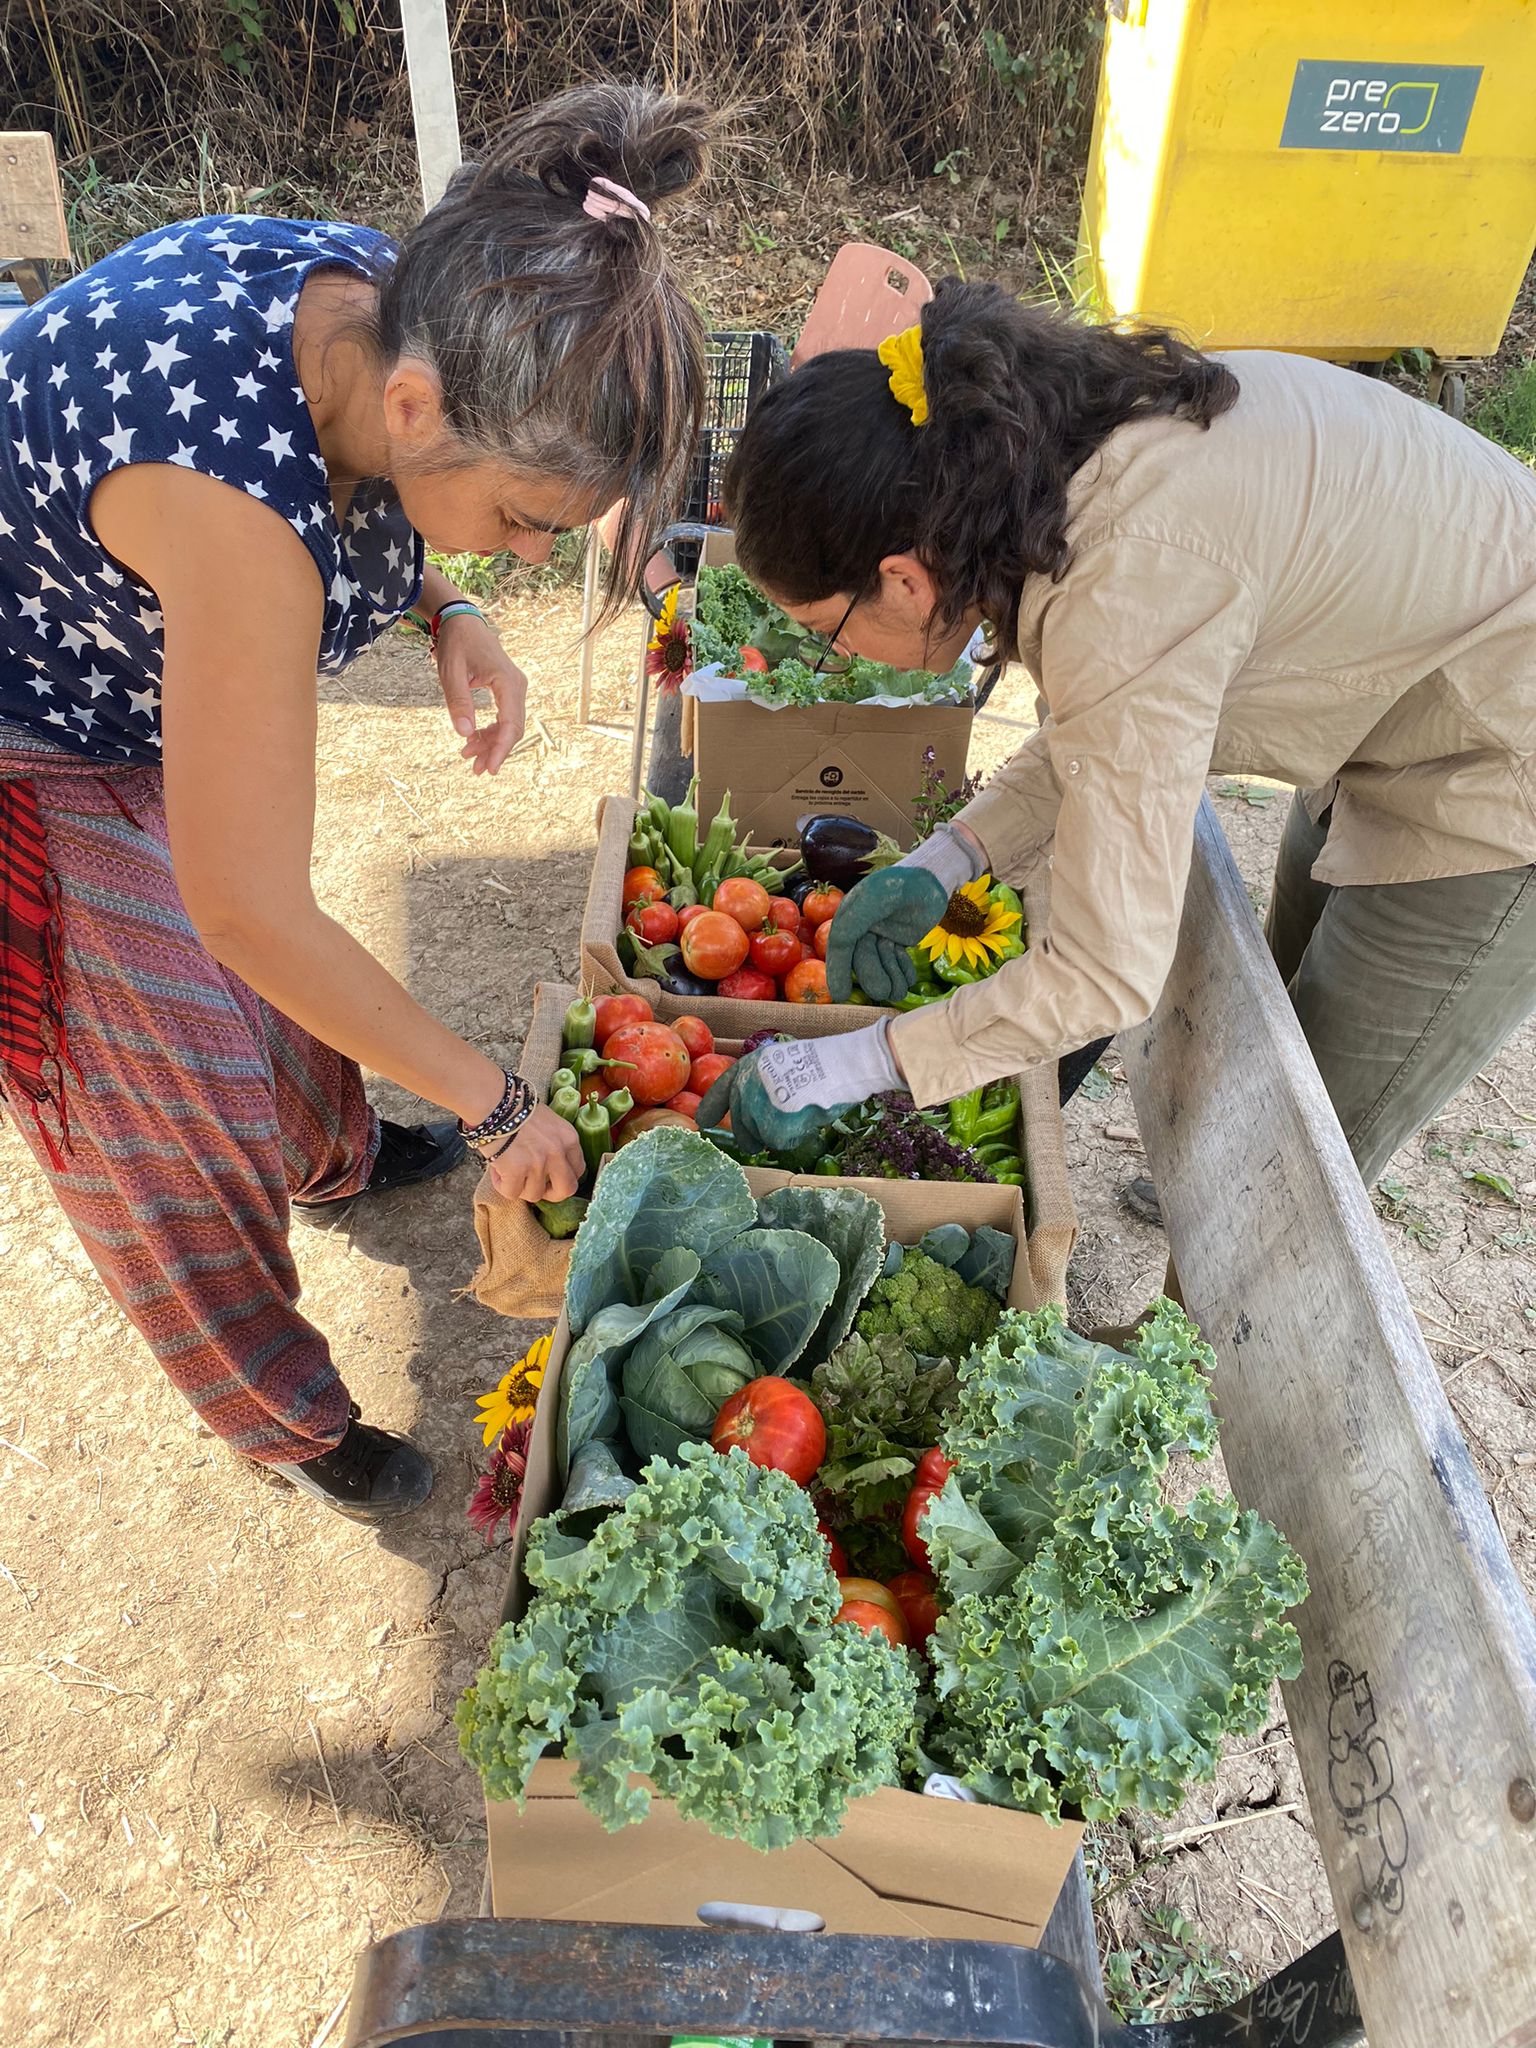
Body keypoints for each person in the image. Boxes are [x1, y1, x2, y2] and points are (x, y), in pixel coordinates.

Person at [0, 83, 713, 1521]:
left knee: (273, 990)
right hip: (28, 704)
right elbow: (249, 908)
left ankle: (331, 1156)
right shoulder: (231, 504)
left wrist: (446, 604)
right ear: (415, 406)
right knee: (165, 1067)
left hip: (121, 634)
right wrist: (499, 1102)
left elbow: (375, 492)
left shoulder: (392, 302)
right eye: (521, 525)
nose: (520, 557)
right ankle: (285, 1411)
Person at [698, 282, 1536, 1229]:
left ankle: (1206, 1321)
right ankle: (1207, 1194)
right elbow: (1104, 733)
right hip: (1395, 689)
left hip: (1500, 758)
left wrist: (858, 1062)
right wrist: (951, 858)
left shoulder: (1129, 567)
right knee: (1273, 1060)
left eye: (828, 630)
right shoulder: (1054, 458)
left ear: (900, 575)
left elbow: (1107, 970)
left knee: (1300, 1176)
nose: (838, 658)